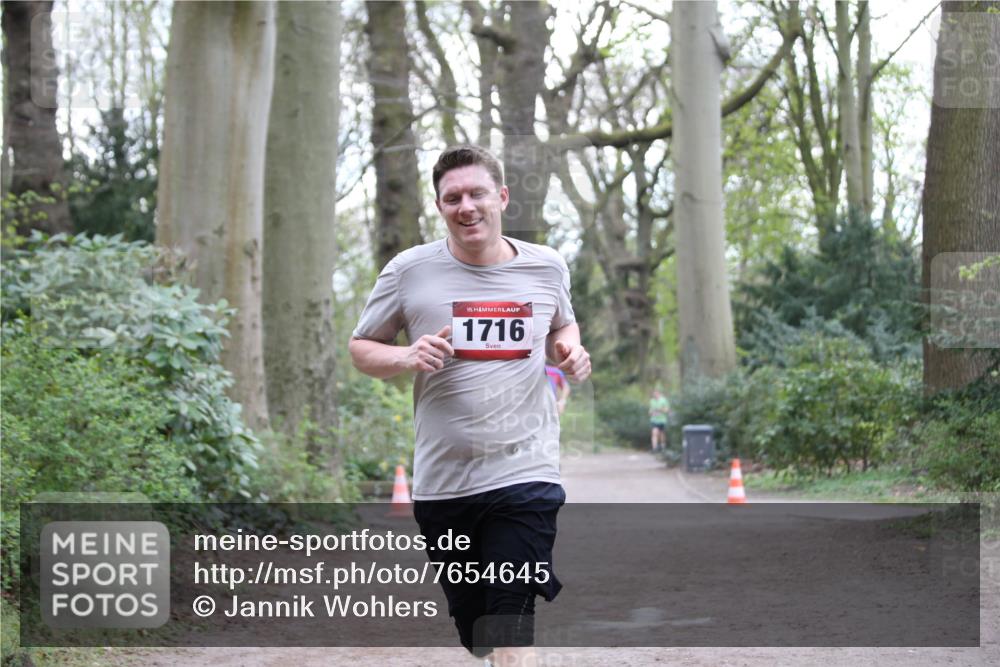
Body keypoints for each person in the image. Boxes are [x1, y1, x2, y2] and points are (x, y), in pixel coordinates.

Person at [349, 144, 591, 666]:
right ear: (440, 207)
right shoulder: (409, 272)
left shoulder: (546, 267)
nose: (467, 206)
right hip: (445, 483)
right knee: (477, 632)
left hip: (525, 472)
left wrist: (568, 349)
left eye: (477, 193)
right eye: (452, 197)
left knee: (510, 617)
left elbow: (561, 324)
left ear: (501, 197)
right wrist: (407, 354)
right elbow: (362, 349)